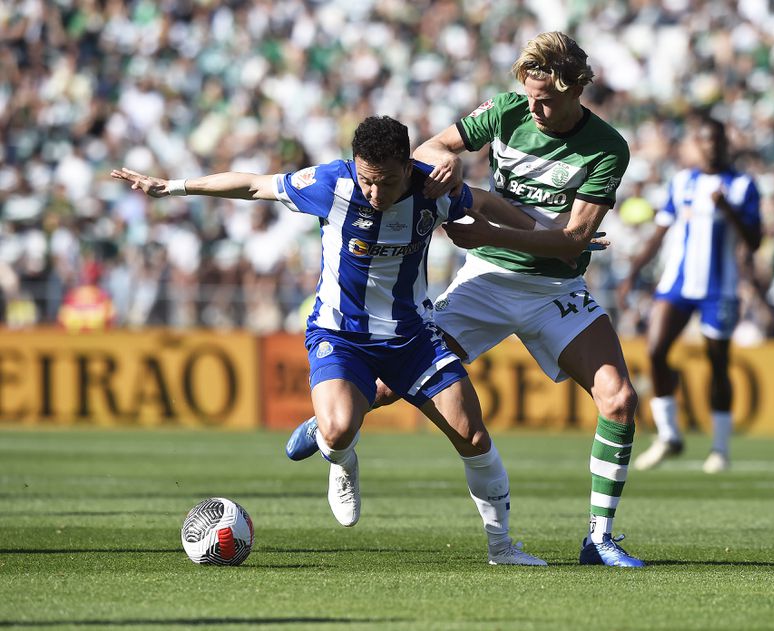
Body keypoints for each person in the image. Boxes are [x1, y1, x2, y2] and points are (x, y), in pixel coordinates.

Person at [112, 115, 547, 566]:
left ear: (407, 165)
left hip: (412, 336)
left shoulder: (433, 188)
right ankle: (341, 460)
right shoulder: (331, 183)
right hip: (340, 334)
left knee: (473, 437)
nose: (374, 193)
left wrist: (557, 239)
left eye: (386, 181)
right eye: (367, 180)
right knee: (340, 430)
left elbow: (488, 205)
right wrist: (174, 187)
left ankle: (502, 549)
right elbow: (254, 186)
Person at [288, 32, 645, 567]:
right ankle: (329, 427)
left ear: (576, 89)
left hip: (555, 289)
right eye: (528, 96)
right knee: (391, 381)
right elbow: (426, 151)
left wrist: (489, 233)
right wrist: (449, 164)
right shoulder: (506, 111)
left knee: (618, 399)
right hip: (485, 281)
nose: (534, 108)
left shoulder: (608, 147)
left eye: (545, 98)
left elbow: (572, 239)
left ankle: (598, 538)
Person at [616, 114, 762, 474]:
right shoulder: (682, 182)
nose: (710, 147)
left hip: (719, 288)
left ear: (726, 143)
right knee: (655, 349)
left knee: (718, 364)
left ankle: (720, 448)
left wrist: (727, 208)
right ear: (697, 145)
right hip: (677, 284)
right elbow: (660, 232)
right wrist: (632, 273)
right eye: (704, 140)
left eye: (716, 140)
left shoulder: (743, 186)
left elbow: (755, 241)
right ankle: (669, 435)